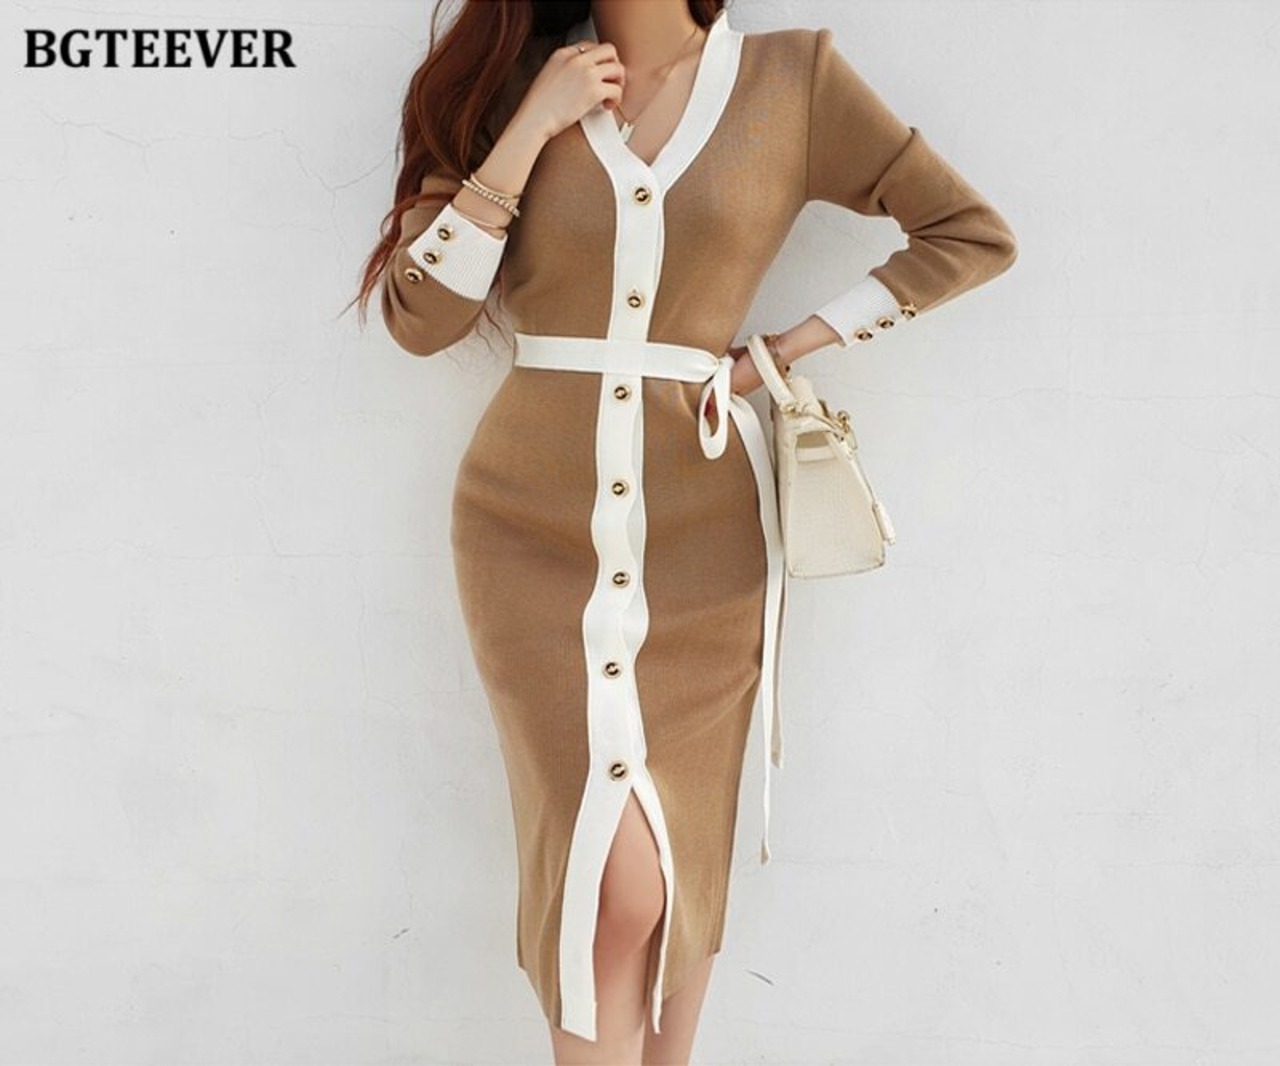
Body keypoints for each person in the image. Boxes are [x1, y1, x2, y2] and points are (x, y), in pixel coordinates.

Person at [352, 1, 1017, 1062]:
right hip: (526, 531)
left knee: (674, 865)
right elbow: (419, 319)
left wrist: (777, 354)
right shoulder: (506, 82)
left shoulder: (793, 81)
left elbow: (969, 234)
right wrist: (531, 126)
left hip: (708, 534)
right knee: (611, 883)